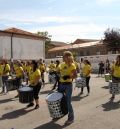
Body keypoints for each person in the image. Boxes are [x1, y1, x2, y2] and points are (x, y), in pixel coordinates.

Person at [57, 51, 77, 124]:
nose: (62, 57)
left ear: (68, 57)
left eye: (63, 56)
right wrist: (58, 73)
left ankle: (71, 118)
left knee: (68, 102)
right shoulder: (61, 64)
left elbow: (75, 75)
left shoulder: (72, 65)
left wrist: (68, 76)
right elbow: (58, 71)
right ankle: (59, 114)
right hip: (61, 84)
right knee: (59, 100)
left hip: (68, 85)